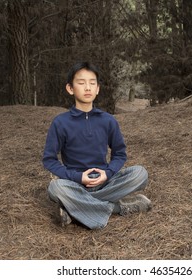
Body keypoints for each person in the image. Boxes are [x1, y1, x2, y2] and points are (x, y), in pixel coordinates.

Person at [42, 62, 151, 229]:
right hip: (75, 183)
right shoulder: (60, 123)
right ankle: (118, 208)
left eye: (92, 83)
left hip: (105, 181)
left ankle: (75, 209)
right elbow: (49, 160)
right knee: (55, 188)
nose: (87, 88)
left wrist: (107, 174)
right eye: (81, 83)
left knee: (140, 174)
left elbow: (120, 154)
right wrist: (78, 177)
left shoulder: (108, 120)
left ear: (98, 89)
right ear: (70, 88)